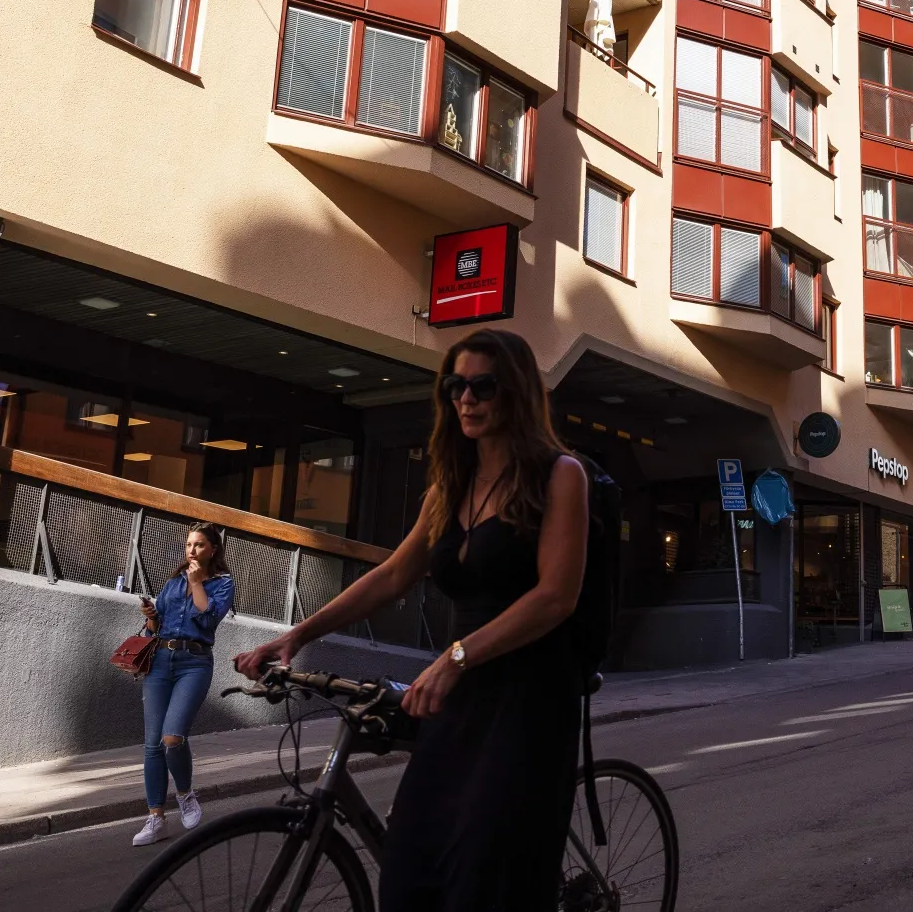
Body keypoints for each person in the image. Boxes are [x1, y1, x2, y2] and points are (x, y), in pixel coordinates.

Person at [236, 331, 588, 912]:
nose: (466, 399)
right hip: (460, 696)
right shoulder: (449, 488)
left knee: (485, 880)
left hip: (528, 700)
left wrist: (455, 657)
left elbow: (556, 597)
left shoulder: (560, 476)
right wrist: (299, 634)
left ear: (516, 392)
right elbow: (393, 576)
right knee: (409, 870)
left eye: (483, 386)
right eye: (455, 386)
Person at [134, 523, 235, 847]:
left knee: (172, 738)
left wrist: (195, 583)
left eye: (199, 544)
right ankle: (156, 818)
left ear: (213, 550)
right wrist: (151, 615)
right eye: (189, 544)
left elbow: (208, 618)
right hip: (161, 661)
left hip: (195, 663)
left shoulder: (223, 583)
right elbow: (154, 628)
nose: (192, 550)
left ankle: (185, 794)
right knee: (153, 744)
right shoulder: (173, 583)